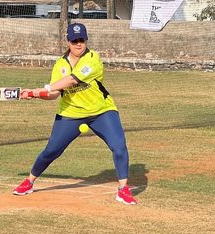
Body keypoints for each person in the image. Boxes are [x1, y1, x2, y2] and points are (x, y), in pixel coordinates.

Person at [13, 22, 137, 205]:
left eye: (82, 40)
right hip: (70, 113)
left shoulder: (93, 58)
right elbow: (55, 93)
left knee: (119, 146)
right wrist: (38, 95)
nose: (78, 44)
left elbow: (72, 80)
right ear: (68, 42)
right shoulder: (60, 64)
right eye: (74, 41)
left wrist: (41, 89)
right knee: (52, 150)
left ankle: (123, 190)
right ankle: (29, 181)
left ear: (86, 40)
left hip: (101, 111)